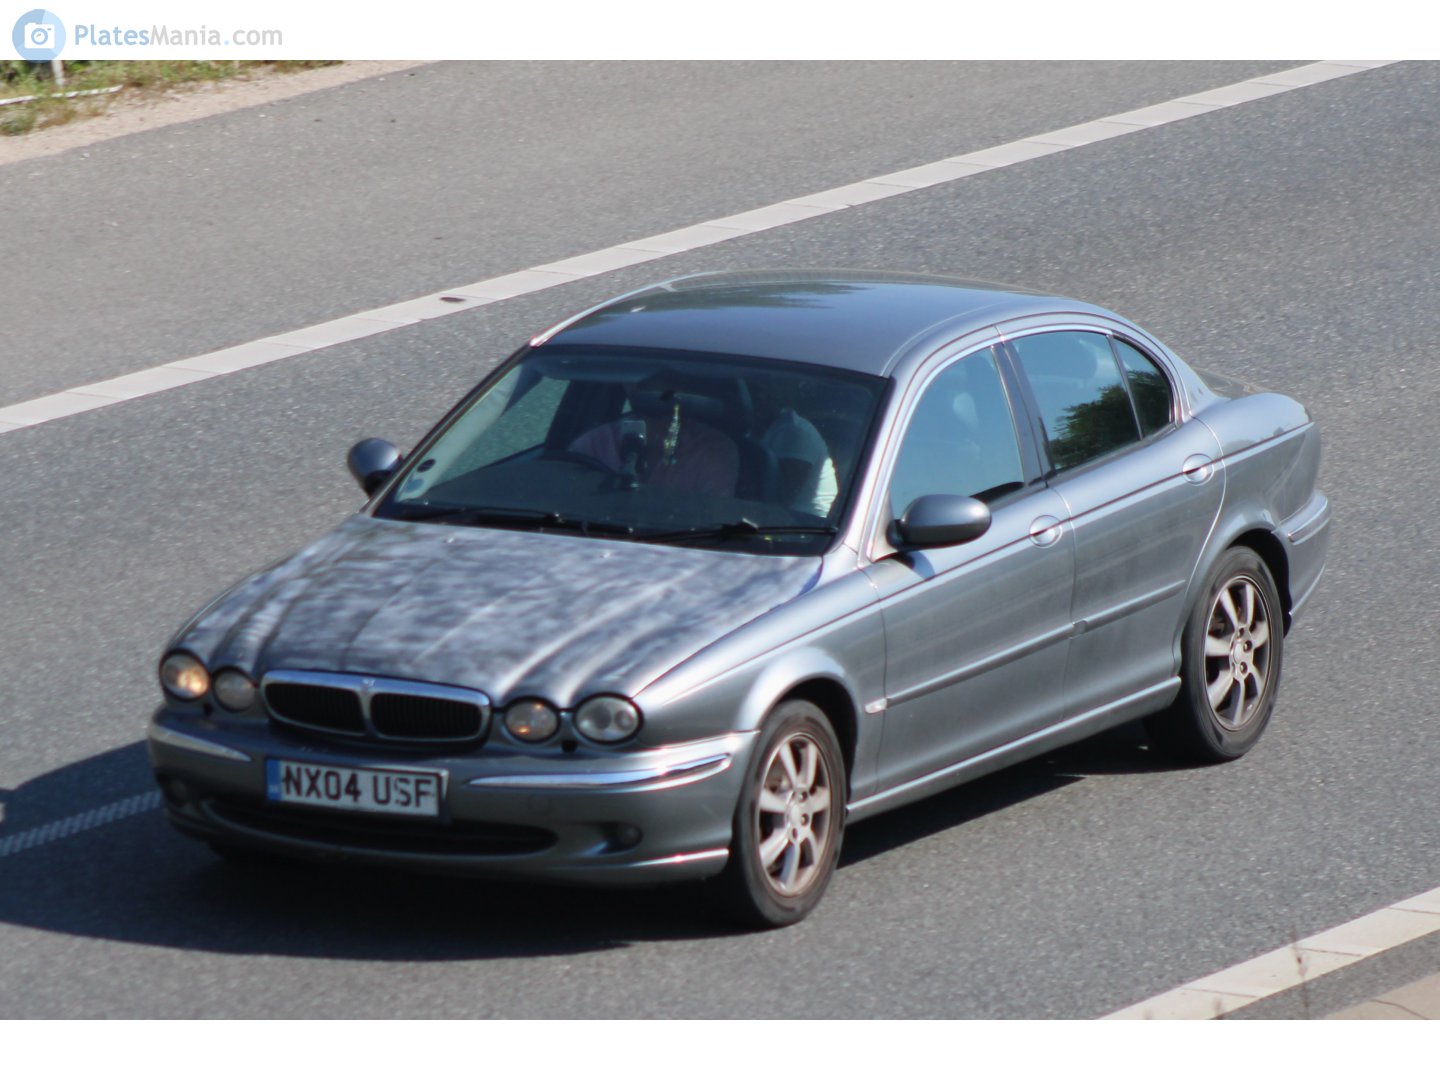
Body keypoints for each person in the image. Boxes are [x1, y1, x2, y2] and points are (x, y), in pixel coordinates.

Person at [569, 385, 739, 496]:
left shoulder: (712, 451)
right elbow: (569, 498)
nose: (662, 420)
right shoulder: (596, 442)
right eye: (650, 406)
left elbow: (712, 520)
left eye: (669, 404)